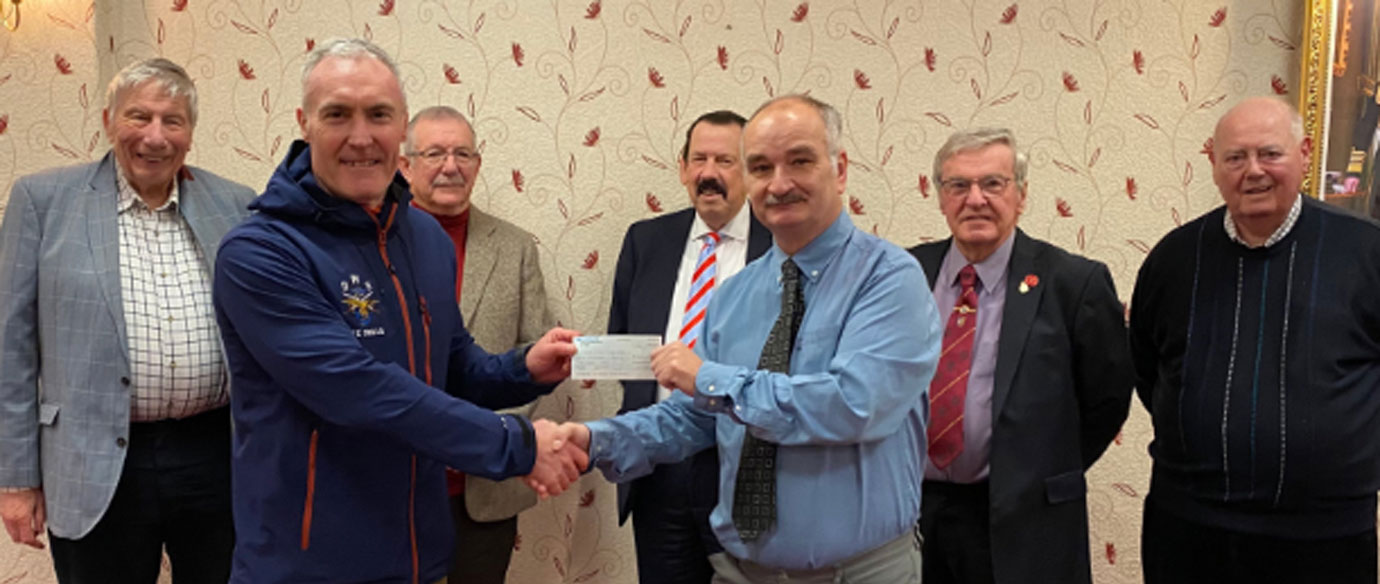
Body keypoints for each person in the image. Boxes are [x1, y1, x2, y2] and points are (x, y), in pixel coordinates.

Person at [211, 38, 584, 584]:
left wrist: (523, 369)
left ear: (401, 126)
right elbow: (359, 390)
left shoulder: (423, 237)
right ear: (304, 123)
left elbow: (453, 368)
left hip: (418, 557)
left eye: (379, 115)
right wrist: (520, 445)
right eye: (338, 114)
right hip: (306, 566)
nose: (361, 137)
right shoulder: (260, 252)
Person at [561, 95, 942, 583]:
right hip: (743, 572)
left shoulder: (889, 279)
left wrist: (711, 378)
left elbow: (853, 405)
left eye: (800, 161)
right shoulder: (735, 295)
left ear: (840, 168)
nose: (779, 183)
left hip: (860, 573)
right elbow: (696, 416)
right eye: (761, 167)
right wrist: (593, 440)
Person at [0, 58, 254, 583]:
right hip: (93, 458)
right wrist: (16, 480)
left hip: (216, 455)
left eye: (173, 120)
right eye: (139, 117)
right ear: (108, 121)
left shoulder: (236, 205)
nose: (155, 136)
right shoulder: (42, 201)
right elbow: (11, 348)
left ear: (190, 132)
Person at [1130, 96, 1380, 584]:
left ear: (1304, 154)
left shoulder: (1367, 252)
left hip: (1325, 537)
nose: (1254, 171)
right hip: (1188, 527)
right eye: (1236, 157)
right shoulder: (1174, 259)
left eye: (1271, 154)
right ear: (1214, 164)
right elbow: (1146, 368)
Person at [908, 128, 1132, 584]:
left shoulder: (1074, 283)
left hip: (1026, 519)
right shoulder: (906, 273)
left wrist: (1035, 468)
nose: (976, 199)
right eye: (958, 185)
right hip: (914, 515)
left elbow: (1107, 401)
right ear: (940, 197)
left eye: (993, 183)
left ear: (1022, 195)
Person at [607, 109, 771, 583]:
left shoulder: (781, 245)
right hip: (660, 467)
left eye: (725, 160)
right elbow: (625, 338)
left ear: (749, 170)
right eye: (698, 159)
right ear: (682, 169)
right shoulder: (646, 240)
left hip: (745, 467)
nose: (709, 173)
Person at [398, 105, 555, 584]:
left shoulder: (513, 246)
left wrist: (492, 440)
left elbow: (534, 359)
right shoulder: (375, 243)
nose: (451, 165)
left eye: (463, 153)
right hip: (395, 484)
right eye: (435, 153)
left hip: (484, 486)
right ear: (404, 165)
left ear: (478, 164)